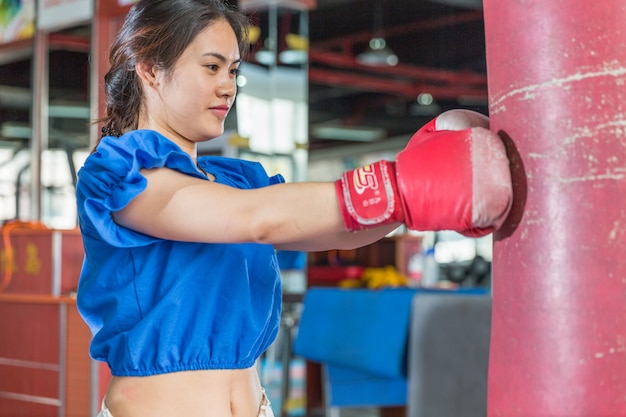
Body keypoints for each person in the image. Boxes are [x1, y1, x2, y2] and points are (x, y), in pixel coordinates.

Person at [74, 0, 513, 416]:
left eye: (233, 70)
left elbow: (333, 230)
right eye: (211, 67)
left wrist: (412, 199)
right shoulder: (120, 175)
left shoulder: (232, 181)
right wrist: (399, 184)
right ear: (151, 69)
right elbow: (255, 219)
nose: (228, 86)